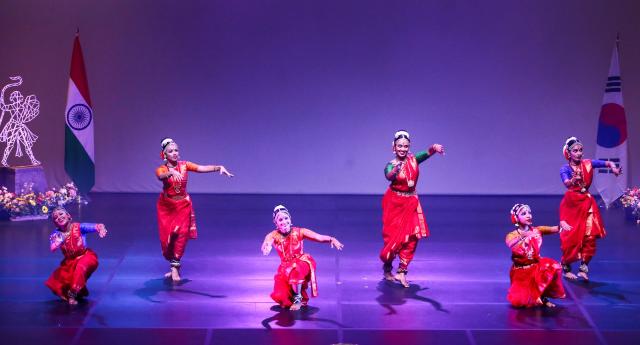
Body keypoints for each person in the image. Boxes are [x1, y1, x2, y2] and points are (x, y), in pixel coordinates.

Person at [156, 137, 233, 282]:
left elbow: (201, 168)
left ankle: (175, 267)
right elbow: (160, 176)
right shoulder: (162, 169)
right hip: (167, 207)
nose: (174, 153)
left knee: (181, 235)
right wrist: (171, 173)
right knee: (169, 238)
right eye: (170, 151)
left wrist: (218, 167)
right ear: (164, 154)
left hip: (183, 205)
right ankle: (172, 263)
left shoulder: (185, 165)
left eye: (176, 150)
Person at [380, 130, 444, 287]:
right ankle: (388, 266)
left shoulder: (413, 160)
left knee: (413, 236)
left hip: (411, 202)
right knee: (392, 238)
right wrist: (396, 170)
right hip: (394, 203)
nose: (402, 149)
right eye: (399, 146)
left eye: (405, 146)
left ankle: (402, 271)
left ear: (409, 147)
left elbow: (427, 153)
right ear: (393, 147)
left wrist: (434, 148)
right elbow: (388, 176)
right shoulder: (390, 165)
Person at [559, 137, 621, 280]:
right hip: (571, 204)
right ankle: (566, 266)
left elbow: (607, 162)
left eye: (581, 150)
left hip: (587, 204)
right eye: (575, 151)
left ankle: (583, 268)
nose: (579, 153)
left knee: (590, 236)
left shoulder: (587, 164)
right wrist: (573, 180)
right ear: (569, 153)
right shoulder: (565, 169)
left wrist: (613, 168)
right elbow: (567, 183)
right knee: (571, 238)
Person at [262, 205, 344, 311]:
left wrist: (331, 239)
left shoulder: (300, 231)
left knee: (295, 269)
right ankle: (294, 293)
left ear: (290, 219)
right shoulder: (273, 235)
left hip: (301, 262)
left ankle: (298, 299)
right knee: (280, 295)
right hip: (284, 267)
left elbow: (318, 237)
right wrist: (266, 247)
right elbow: (267, 242)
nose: (284, 221)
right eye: (280, 219)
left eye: (286, 218)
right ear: (276, 223)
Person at [506, 204, 570, 308]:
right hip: (521, 272)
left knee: (553, 266)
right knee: (519, 302)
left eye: (529, 213)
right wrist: (523, 236)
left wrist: (561, 225)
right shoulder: (512, 235)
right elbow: (511, 244)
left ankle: (544, 297)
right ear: (516, 218)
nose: (528, 215)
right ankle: (536, 297)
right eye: (524, 213)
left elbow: (555, 229)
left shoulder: (537, 230)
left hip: (536, 266)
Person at [45, 207, 107, 305]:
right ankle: (75, 291)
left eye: (61, 214)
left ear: (68, 216)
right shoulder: (56, 234)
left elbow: (97, 226)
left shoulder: (79, 227)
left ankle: (72, 294)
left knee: (80, 267)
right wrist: (60, 240)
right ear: (55, 222)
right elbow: (52, 248)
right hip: (70, 261)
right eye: (56, 218)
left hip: (86, 256)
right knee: (65, 280)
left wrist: (101, 229)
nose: (59, 218)